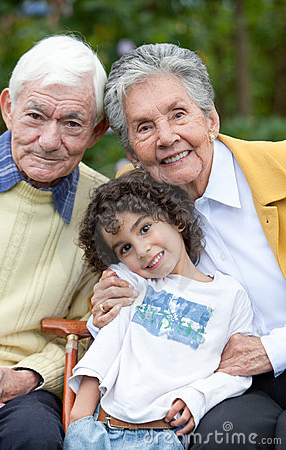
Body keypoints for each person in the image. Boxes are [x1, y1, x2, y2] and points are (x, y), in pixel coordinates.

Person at [91, 43, 286, 448]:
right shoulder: (136, 210)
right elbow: (123, 295)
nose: (166, 138)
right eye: (144, 127)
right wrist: (106, 304)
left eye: (178, 114)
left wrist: (272, 349)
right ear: (132, 152)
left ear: (210, 118)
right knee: (223, 441)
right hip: (227, 384)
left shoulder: (281, 170)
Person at [63, 169, 253, 450]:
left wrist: (199, 395)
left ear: (175, 218)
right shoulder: (133, 285)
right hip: (102, 431)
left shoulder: (229, 295)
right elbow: (105, 347)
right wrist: (79, 419)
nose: (140, 250)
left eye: (145, 228)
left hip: (166, 438)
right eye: (125, 247)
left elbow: (237, 371)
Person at [0, 34, 109, 449]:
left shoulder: (107, 211)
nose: (48, 140)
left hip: (21, 387)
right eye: (35, 116)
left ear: (96, 131)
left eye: (72, 123)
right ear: (8, 108)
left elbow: (97, 329)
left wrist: (28, 377)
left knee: (34, 438)